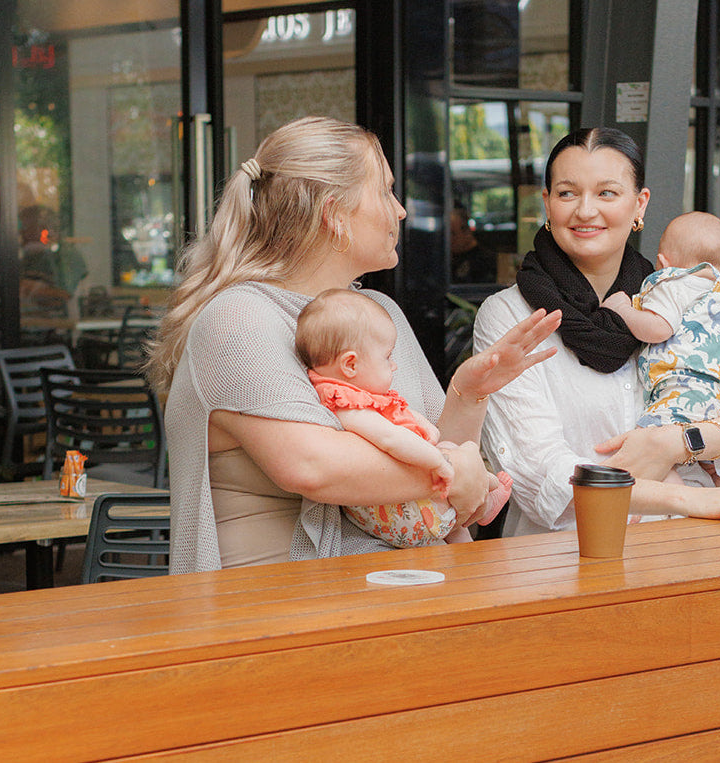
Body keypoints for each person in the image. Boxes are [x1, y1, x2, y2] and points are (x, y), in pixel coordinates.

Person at [147, 116, 561, 574]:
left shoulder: (379, 313)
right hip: (272, 616)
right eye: (385, 191)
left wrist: (467, 394)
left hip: (391, 593)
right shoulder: (239, 318)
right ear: (334, 215)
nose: (401, 210)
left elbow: (445, 503)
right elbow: (315, 466)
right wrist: (451, 471)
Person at [473, 127, 720, 538]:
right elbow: (541, 476)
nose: (586, 211)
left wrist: (677, 443)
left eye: (607, 193)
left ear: (639, 204)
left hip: (701, 543)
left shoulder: (684, 294)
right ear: (547, 203)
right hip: (576, 554)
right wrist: (689, 494)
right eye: (568, 193)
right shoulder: (511, 317)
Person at [295, 288, 513, 547]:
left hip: (407, 512)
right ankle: (487, 496)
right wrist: (442, 463)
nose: (394, 365)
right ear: (350, 365)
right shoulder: (347, 405)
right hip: (400, 516)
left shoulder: (359, 395)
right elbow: (390, 438)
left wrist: (425, 428)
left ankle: (463, 541)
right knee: (457, 451)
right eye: (387, 357)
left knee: (449, 454)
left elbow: (404, 415)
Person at [601, 211, 720, 488]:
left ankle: (668, 506)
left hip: (683, 393)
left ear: (663, 262)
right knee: (719, 463)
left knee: (654, 451)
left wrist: (622, 309)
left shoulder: (672, 284)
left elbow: (657, 328)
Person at [450, 202, 497, 283]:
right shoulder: (448, 259)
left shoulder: (485, 262)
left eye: (452, 233)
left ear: (466, 232)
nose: (449, 239)